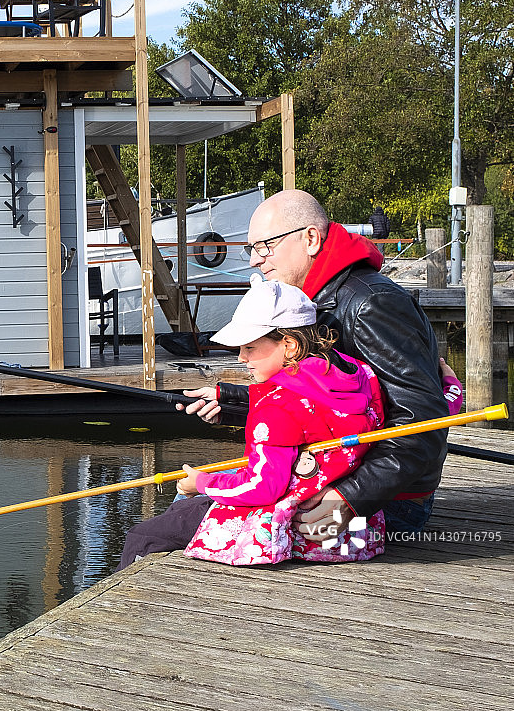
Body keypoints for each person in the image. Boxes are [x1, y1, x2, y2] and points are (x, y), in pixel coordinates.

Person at [176, 190, 452, 544]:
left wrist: (352, 498)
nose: (255, 261)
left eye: (265, 246)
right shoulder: (317, 300)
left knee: (176, 526)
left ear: (310, 238)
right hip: (340, 481)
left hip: (385, 503)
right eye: (251, 249)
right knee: (186, 508)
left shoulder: (371, 304)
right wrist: (231, 402)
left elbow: (424, 421)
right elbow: (331, 404)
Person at [119, 276, 387, 570]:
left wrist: (202, 483)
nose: (241, 358)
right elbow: (313, 417)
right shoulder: (359, 374)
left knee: (143, 535)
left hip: (293, 530)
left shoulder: (276, 404)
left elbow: (263, 486)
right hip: (355, 532)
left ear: (290, 346)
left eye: (249, 347)